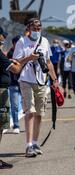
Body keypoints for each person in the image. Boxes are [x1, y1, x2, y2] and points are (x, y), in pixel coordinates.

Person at [13, 18, 59, 158]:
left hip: (41, 80)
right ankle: (28, 145)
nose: (37, 30)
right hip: (26, 79)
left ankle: (35, 142)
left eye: (39, 28)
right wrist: (29, 58)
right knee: (30, 111)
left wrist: (55, 79)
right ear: (28, 28)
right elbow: (16, 62)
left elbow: (49, 62)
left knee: (39, 113)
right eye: (34, 28)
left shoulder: (44, 41)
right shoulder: (22, 42)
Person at [0, 27, 40, 168]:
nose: (3, 39)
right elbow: (16, 69)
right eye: (2, 36)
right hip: (2, 91)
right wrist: (28, 58)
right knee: (0, 125)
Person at [7, 35, 22, 134]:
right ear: (14, 43)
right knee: (14, 105)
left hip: (25, 82)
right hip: (13, 84)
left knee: (29, 104)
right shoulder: (10, 53)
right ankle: (16, 125)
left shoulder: (24, 51)